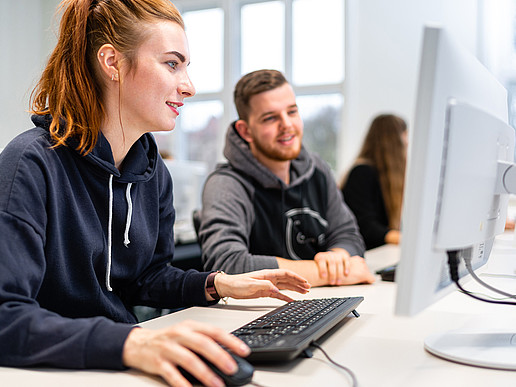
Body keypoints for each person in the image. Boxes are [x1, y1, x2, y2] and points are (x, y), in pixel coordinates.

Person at [0, 2, 311, 387]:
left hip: (119, 361)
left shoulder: (151, 172)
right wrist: (132, 341)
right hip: (57, 370)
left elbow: (144, 277)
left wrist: (215, 284)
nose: (189, 86)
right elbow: (6, 317)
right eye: (171, 64)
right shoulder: (30, 165)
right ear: (112, 62)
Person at [197, 69, 376, 287]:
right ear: (245, 131)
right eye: (270, 118)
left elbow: (348, 235)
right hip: (259, 314)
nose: (287, 125)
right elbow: (227, 264)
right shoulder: (226, 184)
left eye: (292, 112)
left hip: (322, 302)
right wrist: (326, 273)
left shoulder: (317, 168)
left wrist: (338, 256)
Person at [341, 114, 407, 250]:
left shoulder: (385, 177)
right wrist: (406, 239)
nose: (407, 141)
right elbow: (365, 227)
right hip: (364, 255)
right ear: (395, 139)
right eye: (405, 135)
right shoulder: (362, 172)